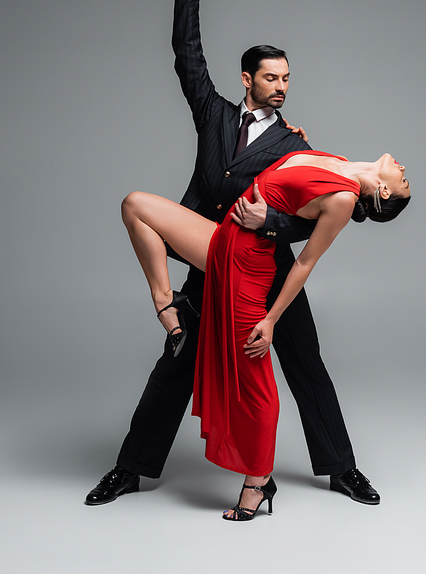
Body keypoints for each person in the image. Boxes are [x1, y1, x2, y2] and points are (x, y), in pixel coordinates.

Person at [85, 0, 383, 509]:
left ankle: (342, 468)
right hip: (207, 256)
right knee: (177, 363)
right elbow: (185, 52)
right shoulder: (214, 115)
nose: (281, 87)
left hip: (267, 266)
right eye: (271, 78)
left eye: (287, 79)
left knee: (305, 361)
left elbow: (311, 218)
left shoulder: (297, 147)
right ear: (247, 79)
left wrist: (267, 226)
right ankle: (131, 467)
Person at [118, 149, 410, 520]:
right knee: (135, 205)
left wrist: (271, 319)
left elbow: (304, 262)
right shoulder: (334, 160)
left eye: (404, 180)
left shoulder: (343, 197)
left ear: (384, 192)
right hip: (225, 237)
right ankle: (165, 303)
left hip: (246, 266)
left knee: (257, 381)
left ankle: (258, 483)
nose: (403, 168)